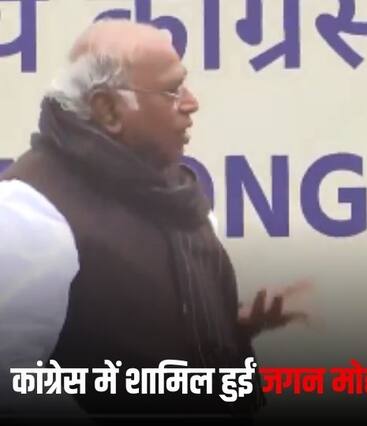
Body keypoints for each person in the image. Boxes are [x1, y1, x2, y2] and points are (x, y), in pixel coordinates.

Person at [0, 19, 307, 421]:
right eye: (172, 90)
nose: (192, 103)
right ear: (109, 109)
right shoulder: (31, 210)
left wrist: (226, 329)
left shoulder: (175, 196)